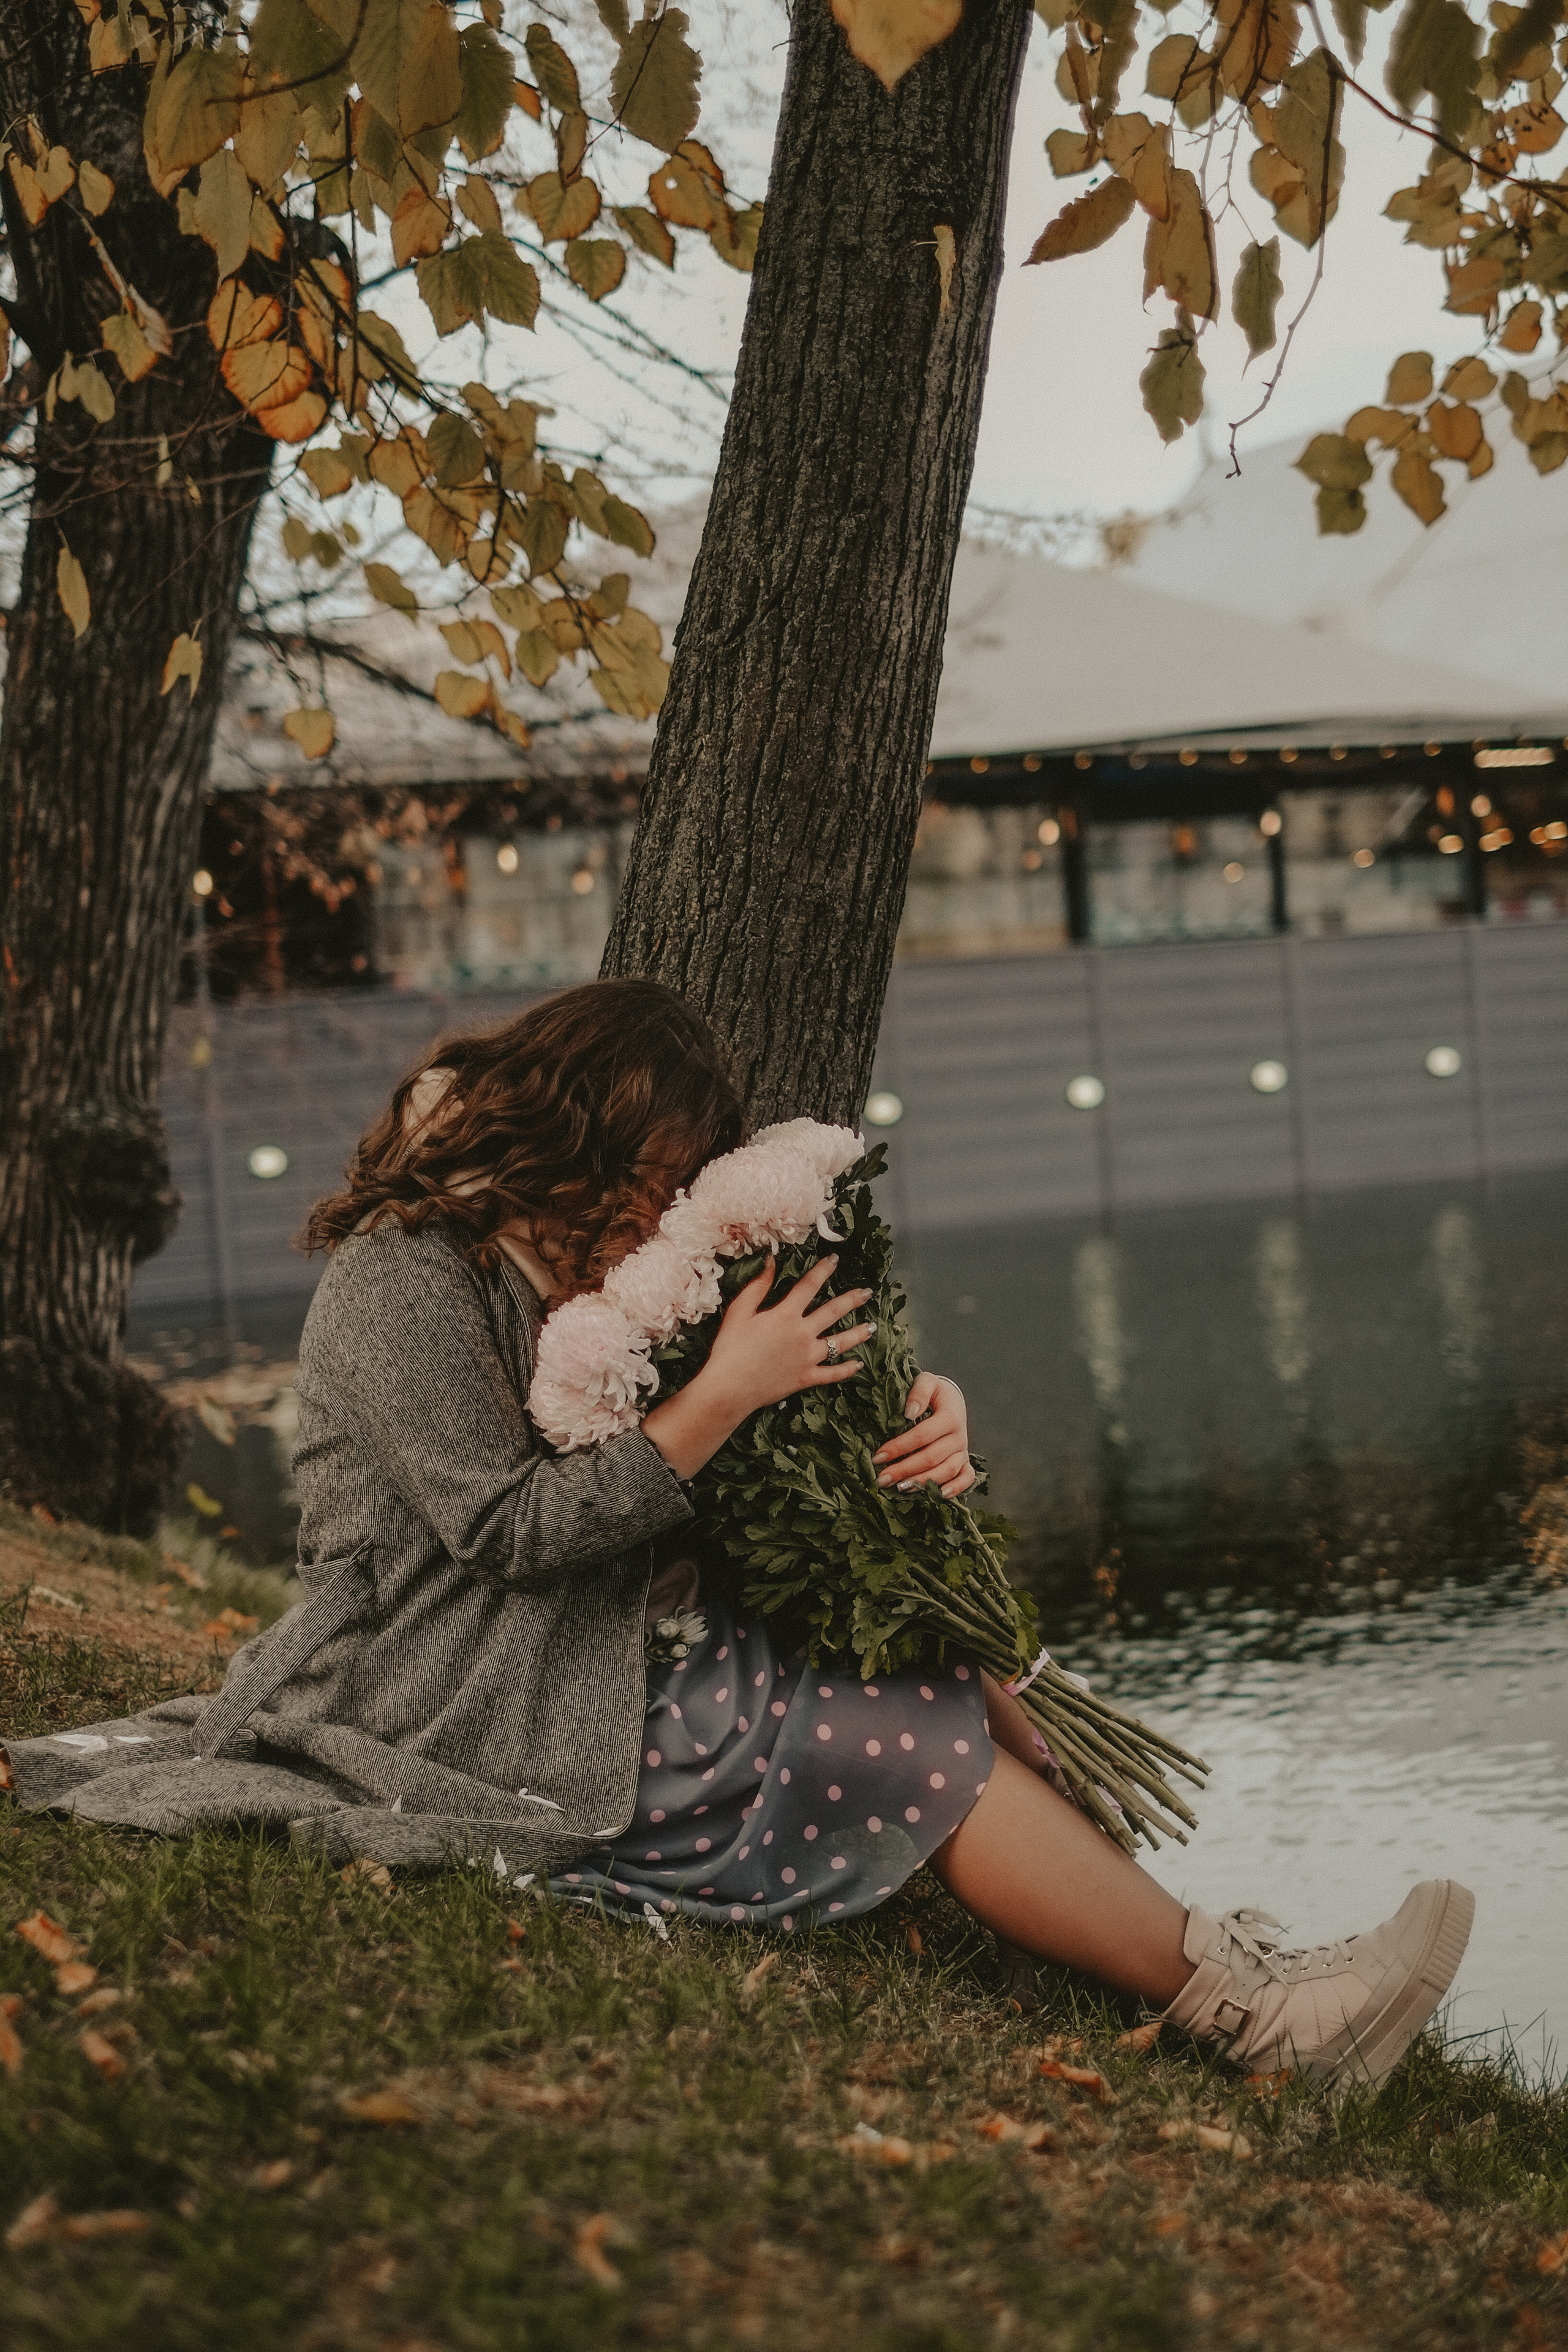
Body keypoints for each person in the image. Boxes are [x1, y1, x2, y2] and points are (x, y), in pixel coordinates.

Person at [1, 978, 1471, 2089]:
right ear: (566, 1137)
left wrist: (917, 1416)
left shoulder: (595, 1259)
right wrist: (715, 1398)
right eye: (644, 1172)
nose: (658, 1211)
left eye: (674, 1182)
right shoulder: (405, 1281)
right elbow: (508, 1536)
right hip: (441, 1674)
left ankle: (1232, 1972)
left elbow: (770, 1441)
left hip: (588, 1629)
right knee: (882, 1730)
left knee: (938, 1684)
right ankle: (1244, 2014)